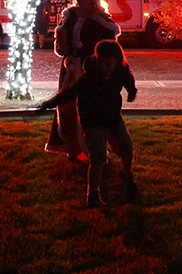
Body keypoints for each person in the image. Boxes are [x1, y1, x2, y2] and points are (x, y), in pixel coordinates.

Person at [39, 39, 139, 206]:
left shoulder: (121, 71)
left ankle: (125, 173)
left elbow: (129, 80)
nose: (104, 67)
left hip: (112, 117)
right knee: (98, 157)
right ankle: (92, 195)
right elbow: (70, 93)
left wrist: (132, 91)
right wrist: (49, 104)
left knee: (127, 149)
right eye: (101, 62)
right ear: (96, 59)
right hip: (91, 118)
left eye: (108, 64)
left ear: (117, 62)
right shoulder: (90, 77)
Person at [44, 0, 121, 161]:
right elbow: (61, 39)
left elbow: (109, 42)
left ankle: (93, 149)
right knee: (67, 107)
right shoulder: (70, 15)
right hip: (70, 68)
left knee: (91, 109)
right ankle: (72, 148)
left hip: (90, 70)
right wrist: (63, 47)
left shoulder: (100, 18)